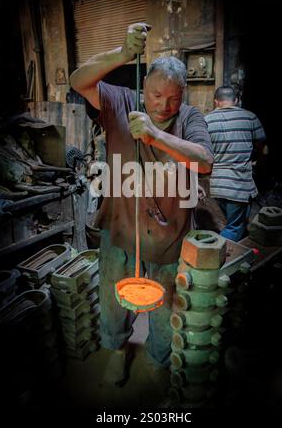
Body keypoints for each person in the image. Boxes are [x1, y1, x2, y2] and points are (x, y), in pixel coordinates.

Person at [70, 22, 213, 386]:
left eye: (172, 99)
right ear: (143, 87)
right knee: (112, 297)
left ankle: (156, 357)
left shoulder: (190, 118)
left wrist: (156, 135)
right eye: (154, 95)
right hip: (121, 227)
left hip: (170, 231)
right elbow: (77, 81)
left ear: (183, 96)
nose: (163, 105)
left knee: (166, 304)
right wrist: (121, 54)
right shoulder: (119, 99)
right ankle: (117, 350)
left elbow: (204, 161)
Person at [205, 86, 268, 242]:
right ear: (236, 100)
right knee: (234, 228)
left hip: (218, 184)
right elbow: (264, 150)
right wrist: (257, 163)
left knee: (238, 223)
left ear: (216, 102)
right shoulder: (249, 117)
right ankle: (216, 254)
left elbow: (203, 153)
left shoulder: (206, 120)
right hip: (239, 183)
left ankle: (238, 254)